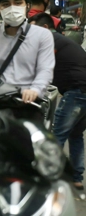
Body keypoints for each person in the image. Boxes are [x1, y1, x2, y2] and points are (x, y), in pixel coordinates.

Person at [29, 12, 86, 191]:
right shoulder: (60, 42)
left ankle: (46, 178)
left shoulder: (50, 40)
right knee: (75, 135)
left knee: (56, 135)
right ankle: (76, 178)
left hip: (77, 91)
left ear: (45, 28)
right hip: (82, 91)